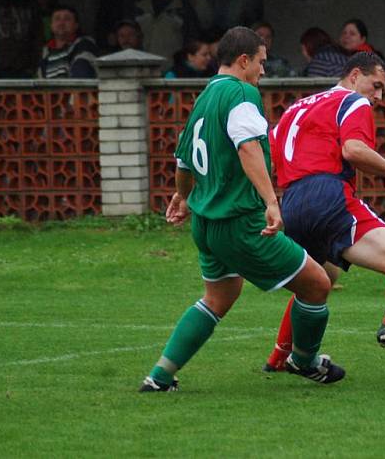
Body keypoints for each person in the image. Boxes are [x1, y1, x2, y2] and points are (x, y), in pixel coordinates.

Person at [139, 26, 345, 392]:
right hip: (239, 222)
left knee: (218, 297)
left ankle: (159, 377)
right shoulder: (241, 93)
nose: (264, 71)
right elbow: (247, 147)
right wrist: (271, 201)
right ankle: (305, 361)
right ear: (244, 60)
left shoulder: (204, 97)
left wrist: (183, 195)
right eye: (261, 62)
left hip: (205, 222)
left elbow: (184, 161)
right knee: (316, 284)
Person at [262, 52, 385, 373]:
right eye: (376, 86)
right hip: (327, 195)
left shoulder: (295, 109)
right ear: (355, 75)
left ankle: (278, 358)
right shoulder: (353, 102)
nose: (378, 97)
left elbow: (264, 156)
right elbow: (354, 150)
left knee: (318, 282)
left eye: (382, 91)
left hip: (291, 203)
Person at [135, 0, 200, 72]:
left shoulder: (185, 10)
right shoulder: (138, 8)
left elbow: (192, 42)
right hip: (142, 70)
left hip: (173, 73)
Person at [39, 5, 99, 79]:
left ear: (76, 25)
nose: (61, 23)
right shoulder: (46, 51)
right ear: (51, 26)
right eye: (57, 19)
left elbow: (81, 79)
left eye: (67, 19)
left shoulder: (85, 45)